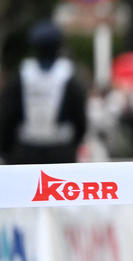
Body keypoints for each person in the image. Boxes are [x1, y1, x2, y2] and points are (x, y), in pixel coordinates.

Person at [0, 20, 88, 165]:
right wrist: (73, 146)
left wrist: (6, 149)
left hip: (26, 149)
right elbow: (80, 120)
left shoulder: (22, 75)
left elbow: (7, 116)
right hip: (61, 149)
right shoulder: (68, 77)